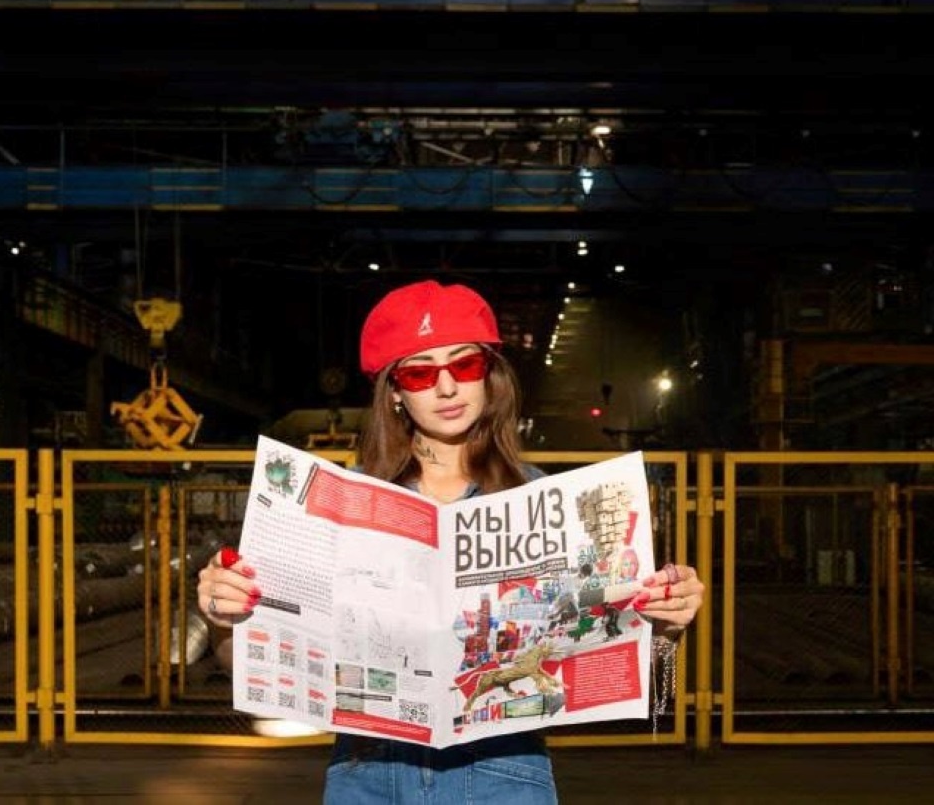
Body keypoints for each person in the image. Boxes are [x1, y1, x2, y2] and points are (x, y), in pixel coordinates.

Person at [196, 278, 705, 804]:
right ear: (395, 392)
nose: (446, 387)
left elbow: (618, 665)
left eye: (464, 365)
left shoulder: (544, 501)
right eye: (420, 372)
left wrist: (664, 625)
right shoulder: (338, 506)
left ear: (489, 376)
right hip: (368, 778)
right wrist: (223, 619)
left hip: (503, 777)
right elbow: (253, 666)